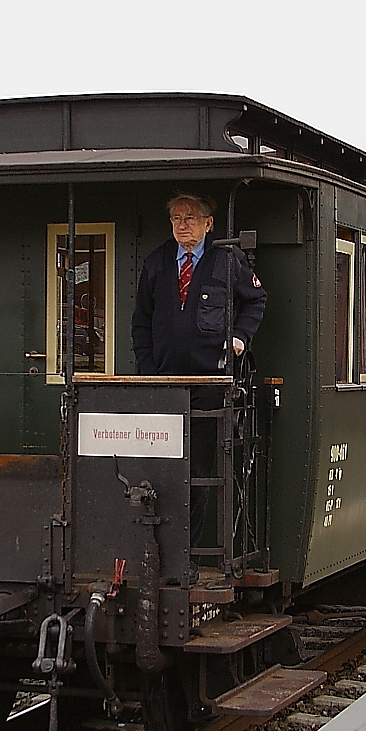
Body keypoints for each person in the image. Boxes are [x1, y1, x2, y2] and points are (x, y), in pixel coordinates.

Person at [131, 193, 267, 547]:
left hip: (210, 386)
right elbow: (141, 322)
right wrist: (148, 371)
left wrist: (239, 337)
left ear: (209, 223)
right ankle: (158, 552)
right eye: (176, 218)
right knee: (161, 471)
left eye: (190, 218)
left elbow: (256, 300)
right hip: (164, 386)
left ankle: (187, 555)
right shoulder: (158, 262)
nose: (182, 224)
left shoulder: (227, 259)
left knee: (199, 474)